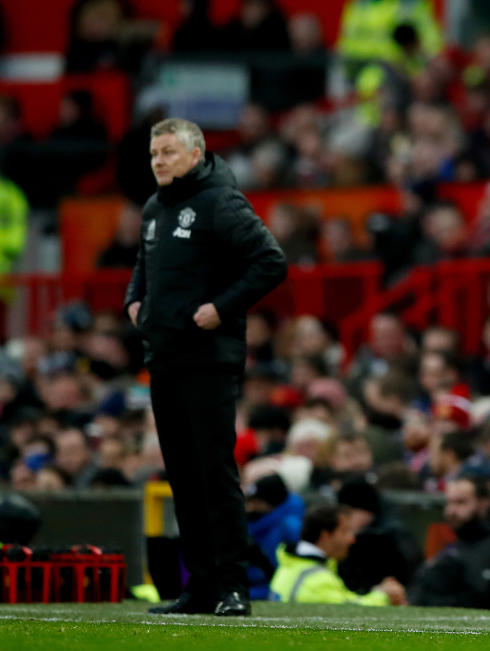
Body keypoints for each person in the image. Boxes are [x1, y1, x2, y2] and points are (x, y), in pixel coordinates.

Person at [125, 118, 287, 616]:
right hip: (165, 358)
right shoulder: (154, 208)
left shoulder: (221, 201)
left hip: (209, 360)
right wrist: (134, 304)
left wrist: (221, 307)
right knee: (182, 477)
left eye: (168, 152)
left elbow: (270, 261)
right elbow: (142, 270)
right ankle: (199, 586)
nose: (158, 161)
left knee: (215, 474)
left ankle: (234, 587)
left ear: (195, 155)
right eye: (154, 153)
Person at [408, 476, 490, 609]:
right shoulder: (456, 544)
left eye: (460, 502)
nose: (451, 511)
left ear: (483, 503)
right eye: (449, 503)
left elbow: (479, 599)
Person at [269, 503, 406, 606]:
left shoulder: (292, 565)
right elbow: (351, 612)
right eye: (345, 531)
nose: (352, 539)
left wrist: (379, 591)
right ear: (326, 536)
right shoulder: (316, 580)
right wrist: (384, 595)